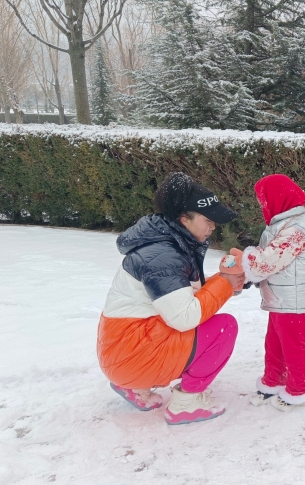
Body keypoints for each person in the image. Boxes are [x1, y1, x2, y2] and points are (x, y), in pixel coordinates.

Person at [97, 172, 244, 425]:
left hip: (122, 350)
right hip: (132, 355)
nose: (213, 227)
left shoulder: (166, 243)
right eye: (208, 220)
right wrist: (224, 284)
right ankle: (186, 404)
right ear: (184, 218)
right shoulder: (163, 255)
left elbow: (178, 296)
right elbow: (184, 317)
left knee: (189, 322)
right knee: (224, 327)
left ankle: (135, 387)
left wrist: (227, 281)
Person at [222, 174, 305, 410]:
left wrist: (245, 261)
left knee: (293, 345)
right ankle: (274, 379)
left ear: (279, 198)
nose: (263, 206)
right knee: (275, 342)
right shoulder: (284, 223)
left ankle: (300, 388)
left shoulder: (298, 228)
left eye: (264, 200)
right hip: (281, 297)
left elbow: (270, 259)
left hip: (294, 300)